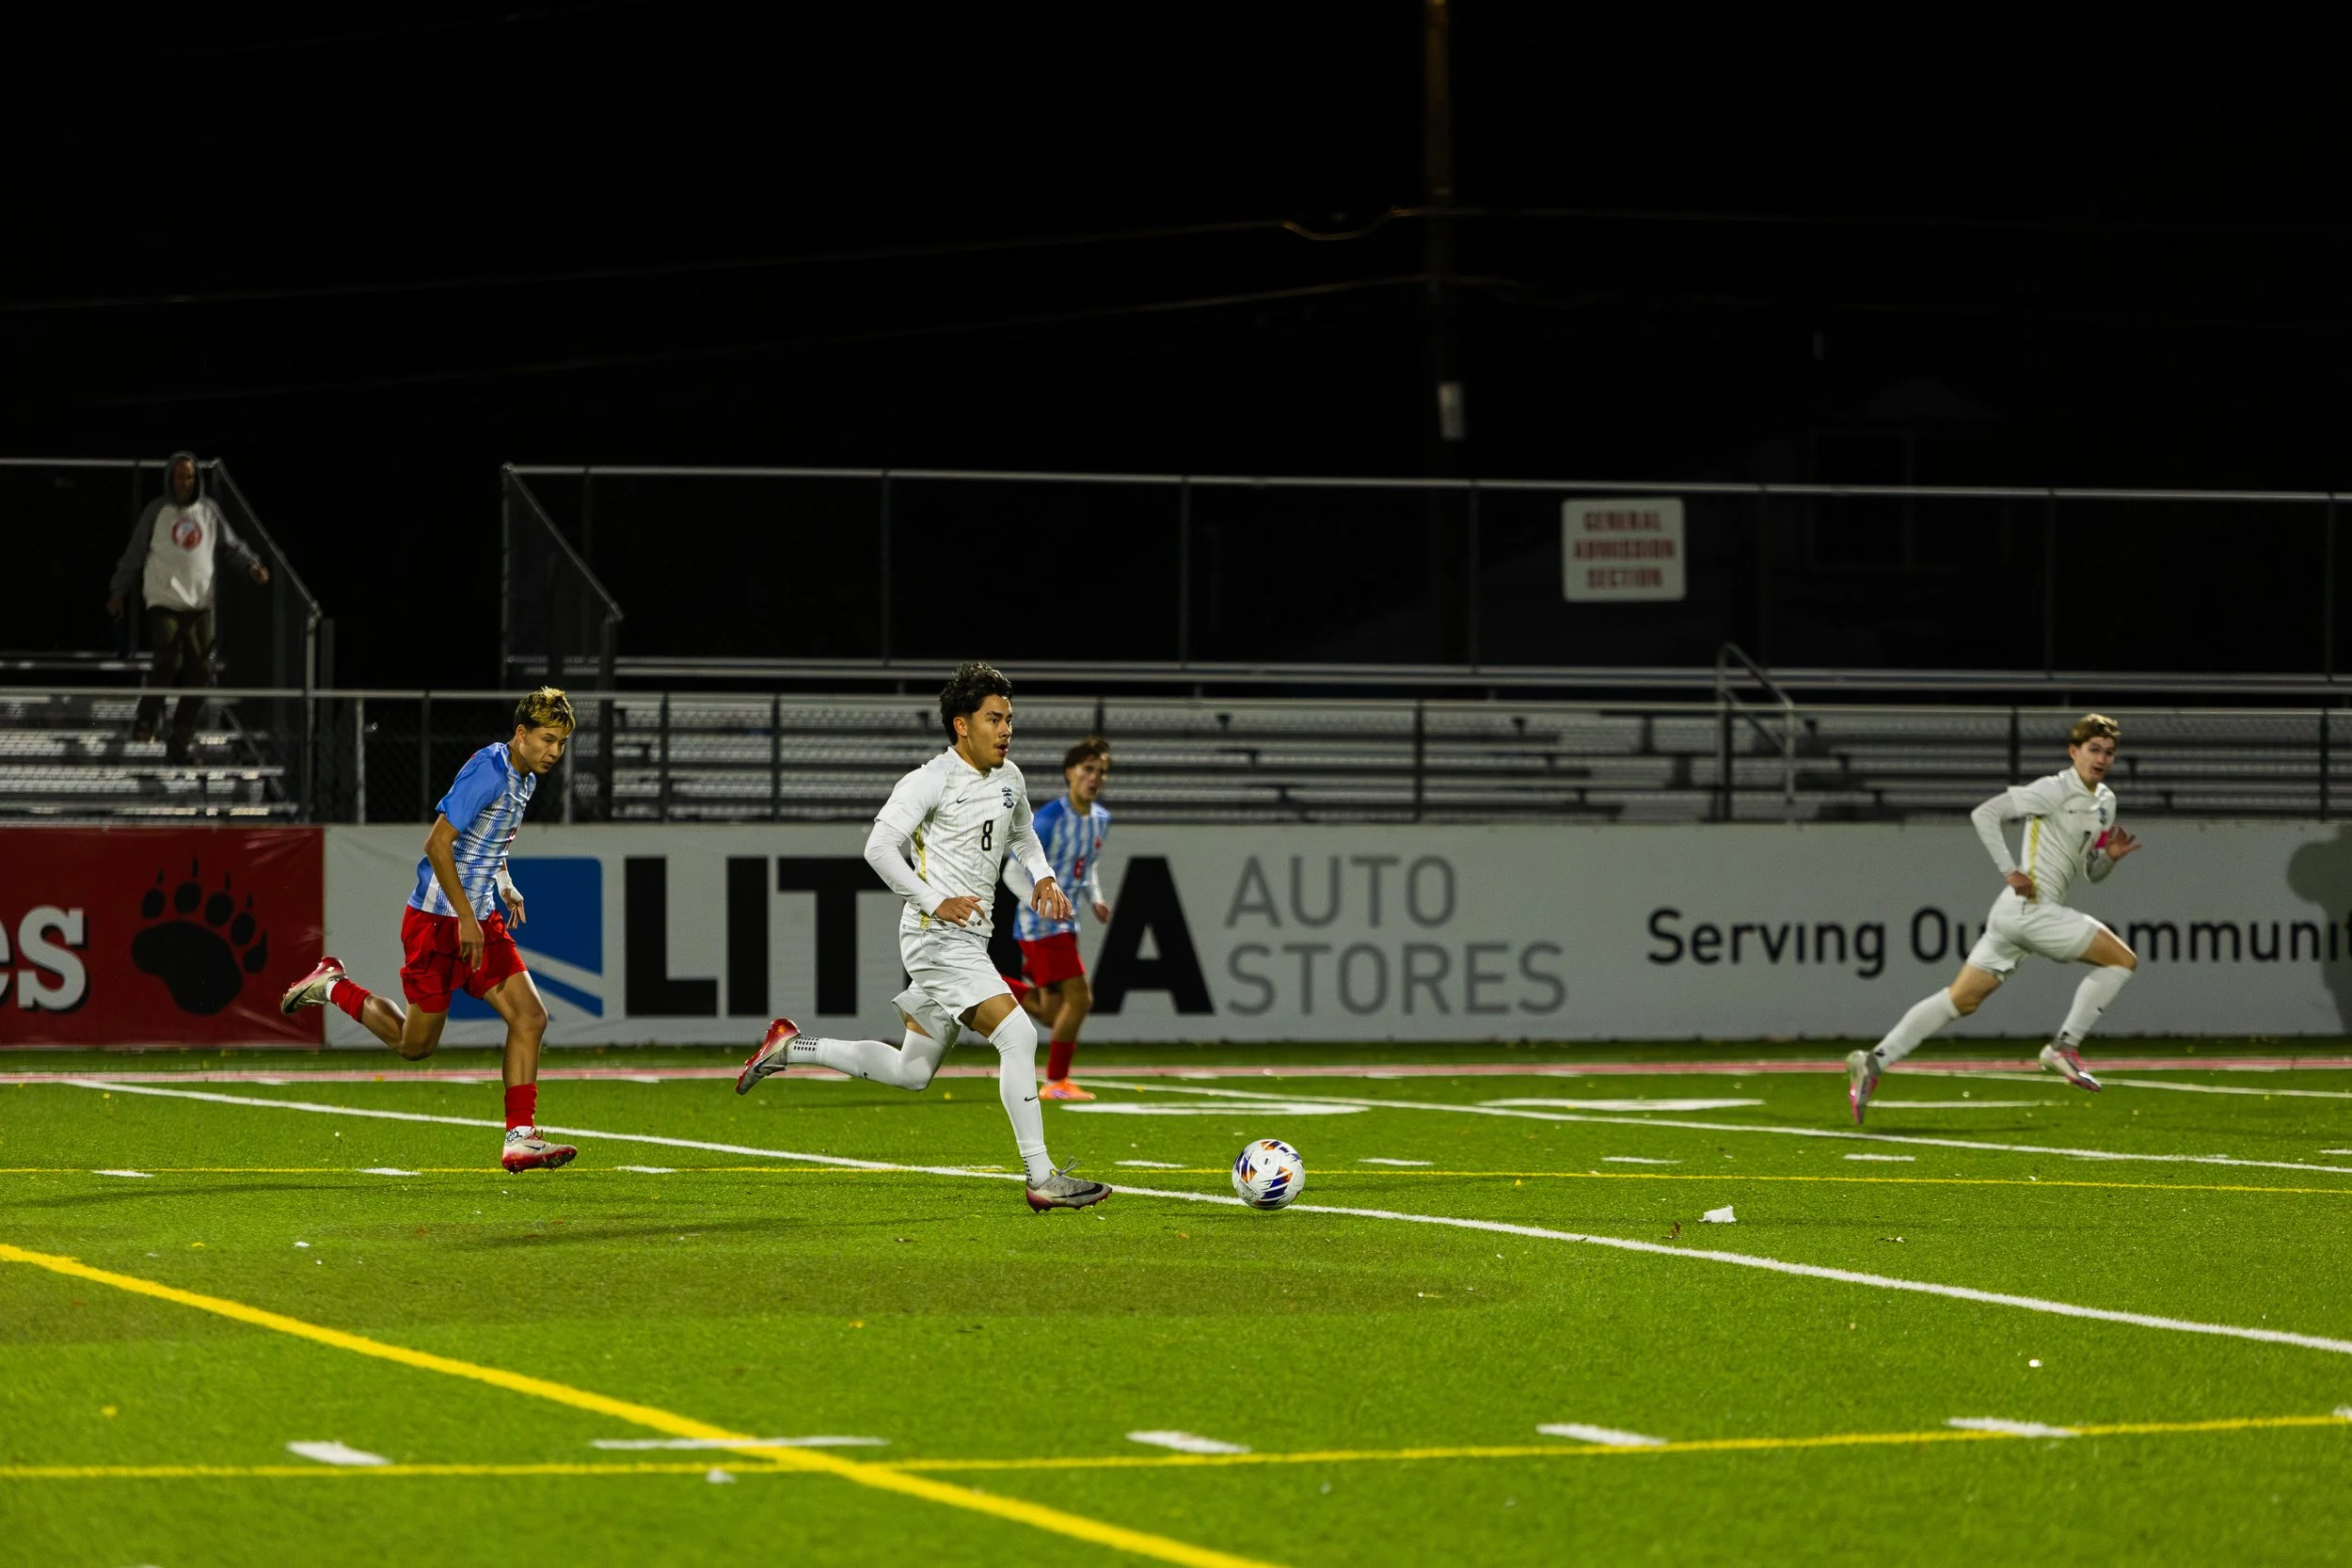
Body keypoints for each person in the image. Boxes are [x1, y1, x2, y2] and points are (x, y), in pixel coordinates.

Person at [735, 661, 1112, 1212]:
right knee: (1019, 1037)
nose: (1006, 729)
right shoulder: (929, 779)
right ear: (962, 725)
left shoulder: (1011, 778)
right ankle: (1042, 1176)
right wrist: (935, 899)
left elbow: (1025, 835)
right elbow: (878, 849)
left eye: (1009, 718)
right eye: (994, 718)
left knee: (911, 1072)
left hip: (967, 939)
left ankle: (793, 1046)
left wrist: (1045, 875)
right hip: (937, 936)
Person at [279, 688, 579, 1172]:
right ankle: (332, 984)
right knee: (414, 1046)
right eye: (547, 740)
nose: (554, 752)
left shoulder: (524, 777)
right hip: (438, 922)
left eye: (561, 743)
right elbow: (438, 844)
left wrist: (503, 883)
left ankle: (519, 1137)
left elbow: (486, 842)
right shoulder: (489, 771)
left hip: (478, 918)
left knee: (530, 1018)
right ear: (521, 733)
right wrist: (465, 917)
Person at [1848, 713, 2143, 1122]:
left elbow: (2090, 872)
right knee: (2123, 960)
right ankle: (2064, 1047)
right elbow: (1985, 813)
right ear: (2074, 751)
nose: (2102, 758)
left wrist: (2109, 859)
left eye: (2109, 752)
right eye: (2094, 749)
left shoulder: (2105, 803)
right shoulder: (2052, 790)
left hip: (2018, 915)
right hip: (2031, 910)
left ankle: (1874, 1061)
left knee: (1960, 1000)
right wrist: (2010, 870)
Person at [106, 451, 270, 763]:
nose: (184, 482)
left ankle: (179, 741)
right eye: (179, 476)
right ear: (170, 478)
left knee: (200, 672)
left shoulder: (208, 511)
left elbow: (232, 546)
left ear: (197, 480)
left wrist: (252, 567)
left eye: (189, 477)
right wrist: (119, 590)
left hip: (199, 605)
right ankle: (145, 721)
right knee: (169, 657)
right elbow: (134, 554)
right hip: (164, 600)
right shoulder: (158, 511)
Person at [1009, 736, 1114, 1101]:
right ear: (1070, 773)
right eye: (1088, 769)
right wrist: (1041, 906)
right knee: (1081, 1000)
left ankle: (984, 983)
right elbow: (1011, 873)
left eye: (1101, 772)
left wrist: (1095, 898)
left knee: (1055, 1014)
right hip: (1040, 925)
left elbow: (1089, 867)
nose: (1095, 778)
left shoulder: (1101, 819)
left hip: (1068, 923)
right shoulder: (1050, 818)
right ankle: (1056, 1081)